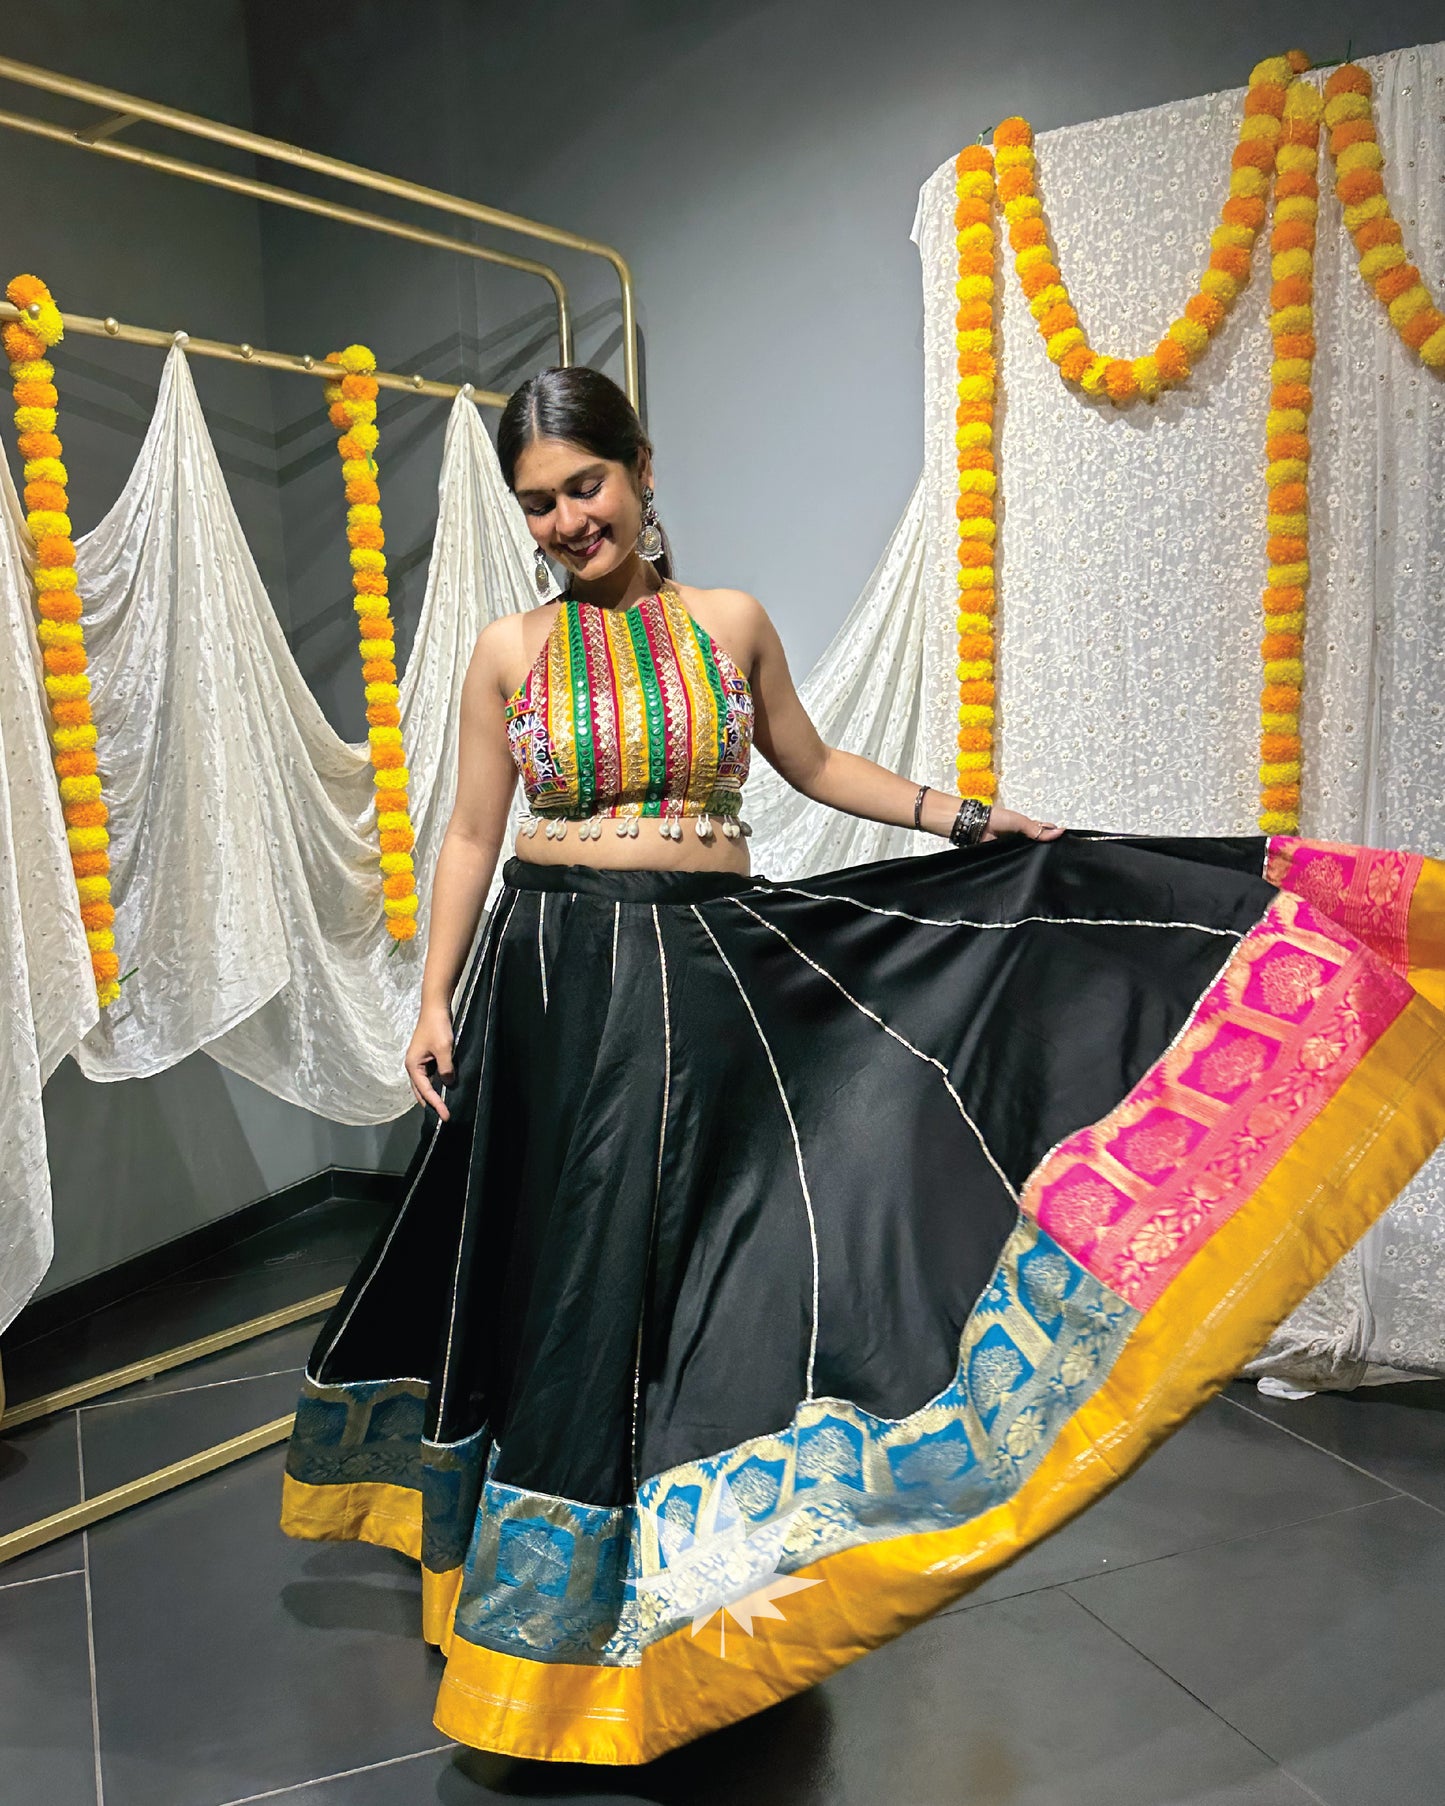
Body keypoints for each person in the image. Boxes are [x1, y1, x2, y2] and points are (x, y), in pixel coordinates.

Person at [281, 366, 1445, 1767]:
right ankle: (542, 1611)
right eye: (538, 503)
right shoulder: (504, 651)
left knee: (705, 1255)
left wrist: (968, 818)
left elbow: (814, 763)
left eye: (583, 486)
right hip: (551, 986)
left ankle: (685, 1586)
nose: (564, 521)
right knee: (569, 1273)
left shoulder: (728, 624)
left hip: (700, 973)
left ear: (641, 469)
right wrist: (431, 996)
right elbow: (469, 833)